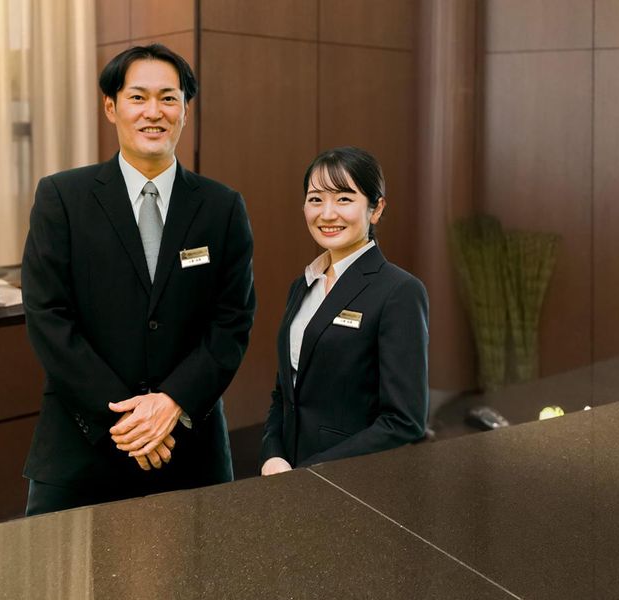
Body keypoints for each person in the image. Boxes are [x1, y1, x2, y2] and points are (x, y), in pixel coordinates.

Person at [22, 44, 256, 513]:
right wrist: (130, 420)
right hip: (81, 448)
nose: (154, 112)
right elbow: (48, 317)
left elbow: (231, 322)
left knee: (202, 562)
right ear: (111, 107)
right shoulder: (62, 197)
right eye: (138, 97)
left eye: (169, 98)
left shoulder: (221, 207)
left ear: (185, 110)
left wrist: (171, 402)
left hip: (189, 446)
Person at [259, 146, 428, 475]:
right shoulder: (303, 285)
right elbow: (285, 392)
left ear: (376, 209)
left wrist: (312, 472)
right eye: (316, 199)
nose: (327, 214)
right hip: (285, 475)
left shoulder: (400, 291)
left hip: (350, 481)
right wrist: (272, 454)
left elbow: (404, 422)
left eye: (344, 199)